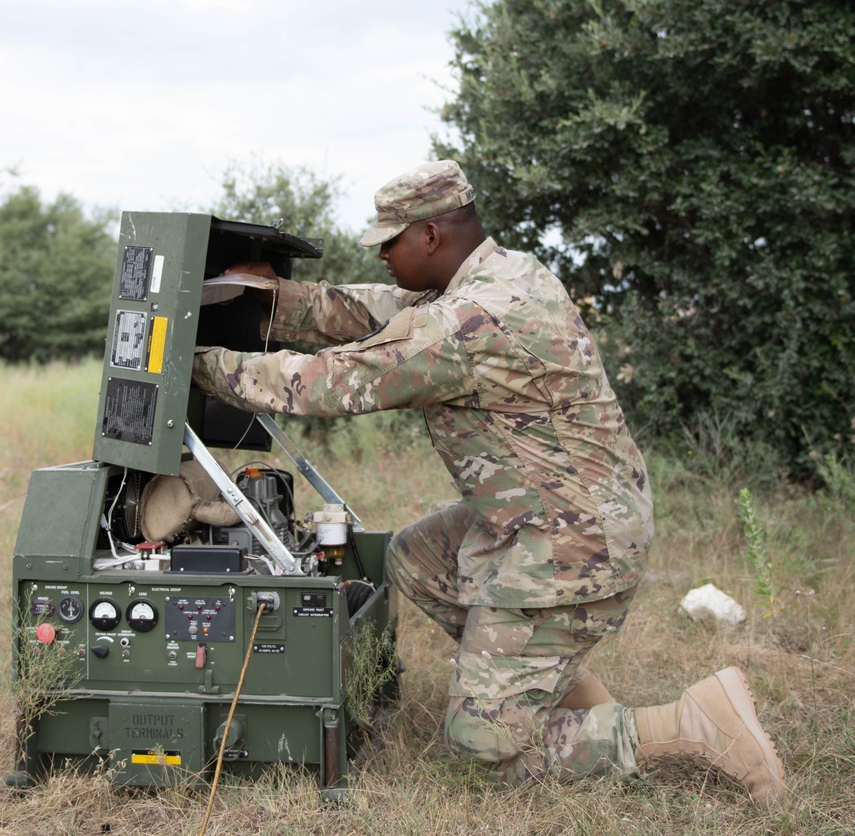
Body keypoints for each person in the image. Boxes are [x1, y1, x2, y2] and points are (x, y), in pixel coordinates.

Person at [191, 160, 785, 805]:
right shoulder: (502, 273)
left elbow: (329, 382)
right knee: (419, 556)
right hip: (551, 517)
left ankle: (695, 725)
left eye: (391, 241)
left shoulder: (474, 319)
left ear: (429, 236)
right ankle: (547, 694)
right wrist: (273, 295)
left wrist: (192, 363)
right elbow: (371, 310)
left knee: (487, 752)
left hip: (571, 543)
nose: (384, 255)